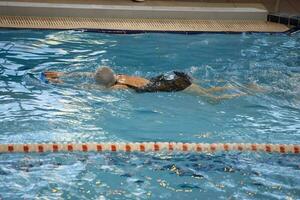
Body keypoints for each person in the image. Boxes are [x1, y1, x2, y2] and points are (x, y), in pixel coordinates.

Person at [42, 66, 248, 102]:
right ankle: (244, 87)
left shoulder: (119, 88)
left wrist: (60, 84)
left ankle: (245, 94)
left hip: (173, 85)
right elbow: (92, 74)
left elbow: (87, 87)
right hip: (169, 76)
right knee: (210, 88)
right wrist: (64, 74)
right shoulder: (119, 77)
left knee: (213, 99)